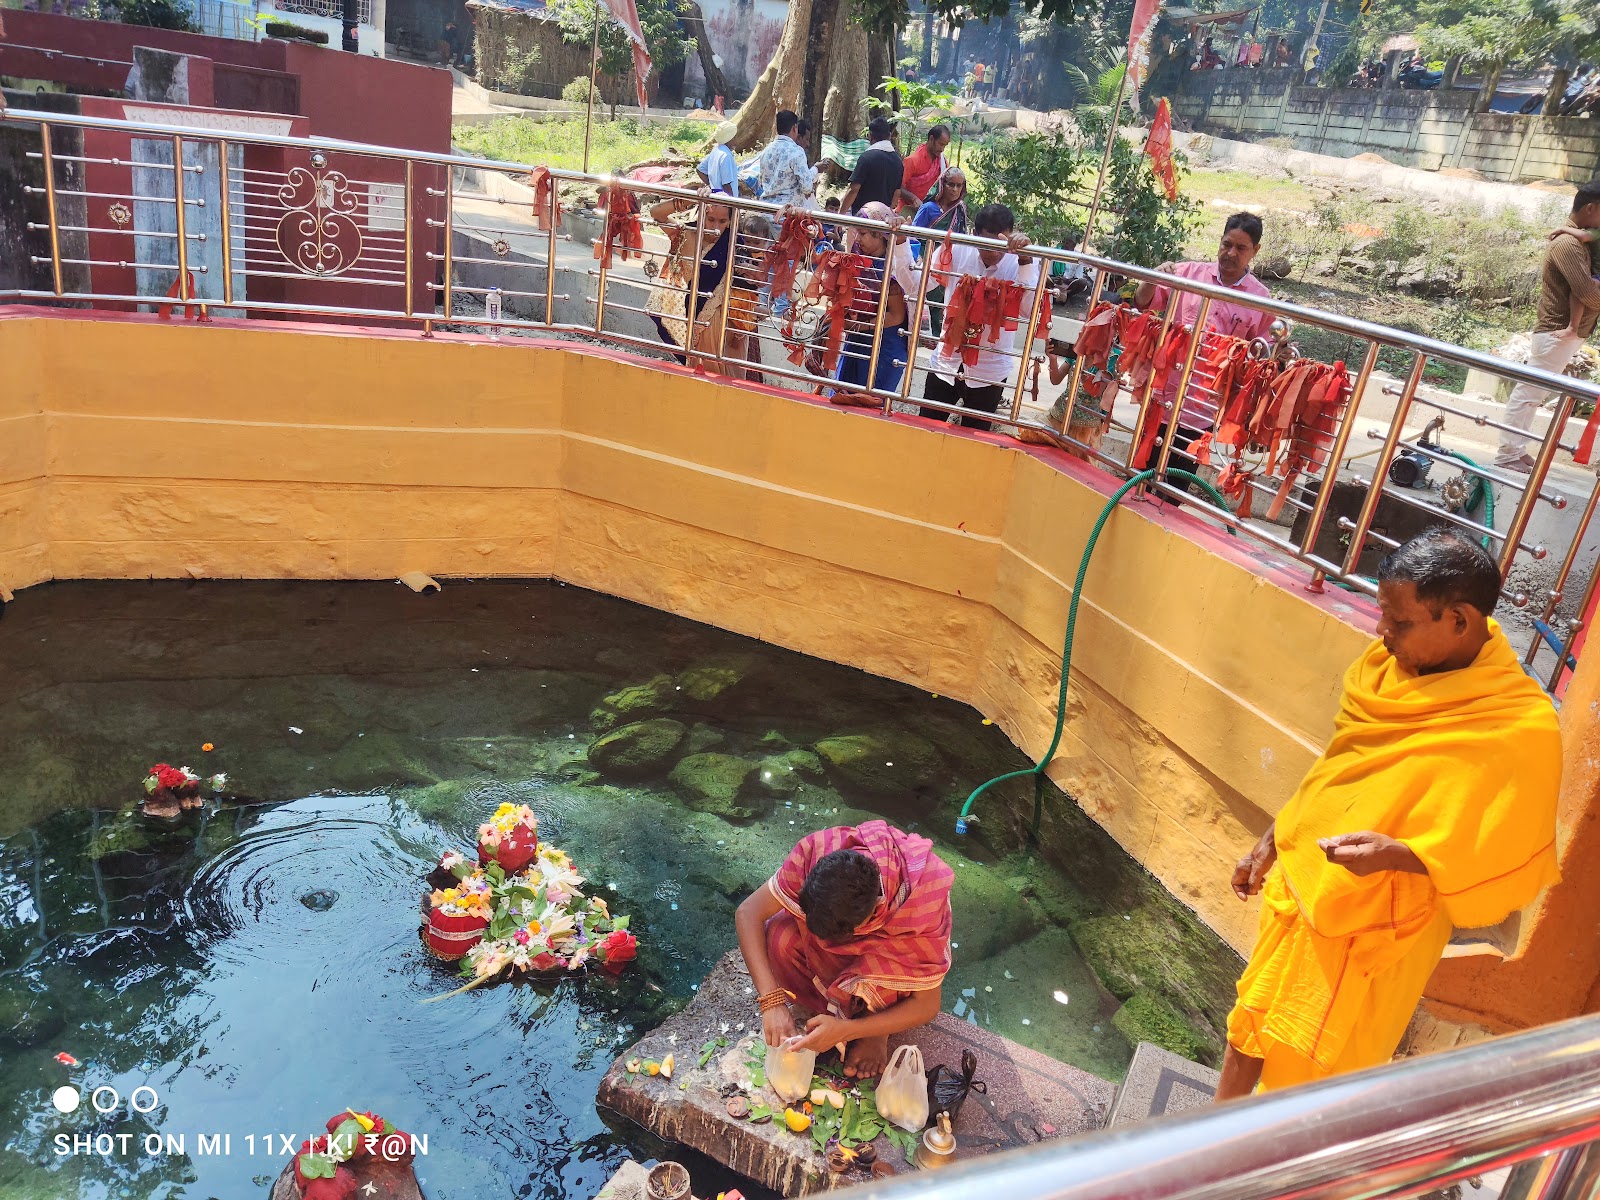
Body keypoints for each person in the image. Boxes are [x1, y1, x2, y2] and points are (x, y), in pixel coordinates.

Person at [1217, 528, 1561, 1099]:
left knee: (1318, 1076)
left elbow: (1502, 853)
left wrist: (1397, 854)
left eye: (1399, 622)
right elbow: (1340, 770)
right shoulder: (1384, 673)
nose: (1381, 632)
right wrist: (1272, 838)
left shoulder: (1517, 727)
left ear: (1458, 620)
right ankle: (1203, 1154)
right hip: (1311, 889)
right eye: (1384, 614)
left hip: (1385, 925)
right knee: (1248, 1029)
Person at [735, 820, 953, 1078]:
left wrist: (849, 1031)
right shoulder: (817, 852)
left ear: (873, 912)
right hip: (839, 938)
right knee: (781, 935)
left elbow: (926, 1006)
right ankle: (821, 1010)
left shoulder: (920, 902)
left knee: (894, 974)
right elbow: (748, 912)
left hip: (883, 967)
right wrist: (771, 1002)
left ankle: (875, 1029)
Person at [1133, 211, 1273, 483]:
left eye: (1241, 248)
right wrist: (1152, 278)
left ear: (1255, 250)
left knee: (1176, 485)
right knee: (1138, 476)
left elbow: (1262, 349)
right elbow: (1143, 302)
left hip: (1203, 408)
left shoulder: (1260, 298)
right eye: (1226, 244)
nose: (1231, 253)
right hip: (1164, 395)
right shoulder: (1187, 274)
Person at [1495, 179, 1600, 472]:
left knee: (1533, 395)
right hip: (1557, 331)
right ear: (1591, 208)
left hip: (1563, 334)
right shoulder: (1568, 243)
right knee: (1528, 393)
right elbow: (1587, 292)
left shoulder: (1579, 240)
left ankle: (1515, 449)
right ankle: (1507, 454)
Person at [918, 202, 1040, 430]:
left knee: (975, 441)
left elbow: (1029, 312)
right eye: (987, 244)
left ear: (1011, 235)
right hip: (946, 363)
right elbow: (918, 285)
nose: (993, 252)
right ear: (975, 234)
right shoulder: (957, 248)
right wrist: (901, 244)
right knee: (925, 432)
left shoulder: (1024, 261)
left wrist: (1025, 261)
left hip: (989, 370)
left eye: (1000, 245)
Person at [833, 201, 911, 398]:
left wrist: (860, 326)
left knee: (870, 402)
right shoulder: (860, 258)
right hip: (859, 338)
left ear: (880, 235)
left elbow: (896, 316)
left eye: (863, 233)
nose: (857, 239)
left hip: (884, 345)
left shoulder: (892, 267)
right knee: (843, 397)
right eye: (857, 233)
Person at [646, 191, 732, 363]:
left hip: (719, 320)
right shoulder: (686, 234)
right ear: (701, 214)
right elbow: (656, 213)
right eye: (711, 219)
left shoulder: (733, 242)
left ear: (730, 221)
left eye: (722, 221)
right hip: (687, 311)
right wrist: (692, 198)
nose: (716, 226)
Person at [910, 167, 969, 337]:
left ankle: (940, 339)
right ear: (943, 185)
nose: (955, 190)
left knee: (945, 302)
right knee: (927, 300)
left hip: (950, 263)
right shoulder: (928, 208)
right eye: (951, 185)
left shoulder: (960, 209)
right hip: (928, 260)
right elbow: (913, 235)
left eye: (959, 186)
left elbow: (962, 237)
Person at [841, 117, 905, 215]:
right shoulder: (898, 162)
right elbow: (897, 193)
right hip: (883, 220)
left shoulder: (866, 157)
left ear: (870, 136)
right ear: (889, 136)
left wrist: (841, 215)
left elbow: (854, 189)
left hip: (862, 217)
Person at [758, 109, 815, 209]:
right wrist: (816, 170)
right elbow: (807, 187)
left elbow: (761, 182)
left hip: (766, 210)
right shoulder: (796, 151)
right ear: (794, 128)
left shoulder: (766, 151)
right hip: (787, 213)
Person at [899, 125, 951, 217]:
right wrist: (913, 199)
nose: (943, 149)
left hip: (930, 213)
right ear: (931, 139)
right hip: (908, 212)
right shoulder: (912, 161)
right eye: (941, 144)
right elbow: (898, 186)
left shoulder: (942, 162)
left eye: (945, 146)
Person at [697, 121, 739, 197]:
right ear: (730, 139)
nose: (737, 140)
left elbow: (700, 170)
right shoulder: (726, 156)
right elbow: (726, 184)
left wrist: (712, 186)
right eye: (735, 137)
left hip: (715, 197)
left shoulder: (716, 150)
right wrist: (732, 204)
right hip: (725, 201)